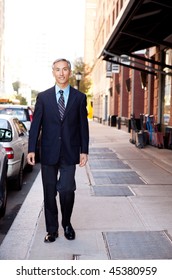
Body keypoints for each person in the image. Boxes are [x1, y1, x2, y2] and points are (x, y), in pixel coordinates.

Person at [27, 58, 89, 243]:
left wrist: (84, 150)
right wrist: (31, 149)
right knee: (49, 192)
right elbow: (36, 125)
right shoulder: (43, 97)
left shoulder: (79, 97)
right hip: (48, 151)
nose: (61, 73)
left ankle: (67, 224)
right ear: (53, 72)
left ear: (69, 72)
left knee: (67, 190)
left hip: (70, 151)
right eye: (57, 70)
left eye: (64, 69)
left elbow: (82, 126)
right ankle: (52, 230)